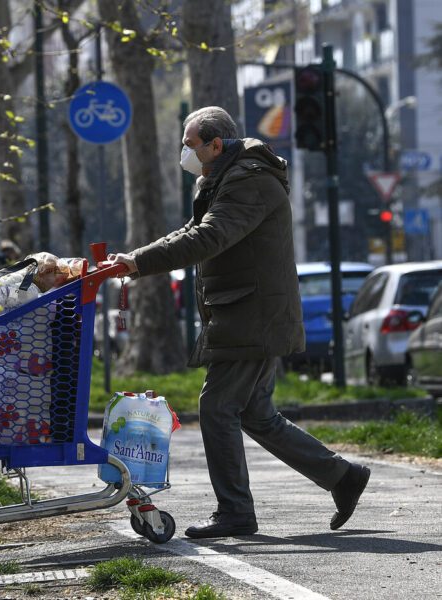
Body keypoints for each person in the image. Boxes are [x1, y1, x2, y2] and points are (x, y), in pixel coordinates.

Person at [102, 106, 370, 539]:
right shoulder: (224, 177)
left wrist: (137, 262)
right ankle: (343, 477)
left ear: (215, 145)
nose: (185, 153)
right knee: (258, 415)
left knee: (217, 407)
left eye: (190, 145)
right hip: (248, 312)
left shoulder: (248, 181)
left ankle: (235, 512)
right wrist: (132, 261)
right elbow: (190, 230)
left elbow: (208, 237)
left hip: (253, 315)